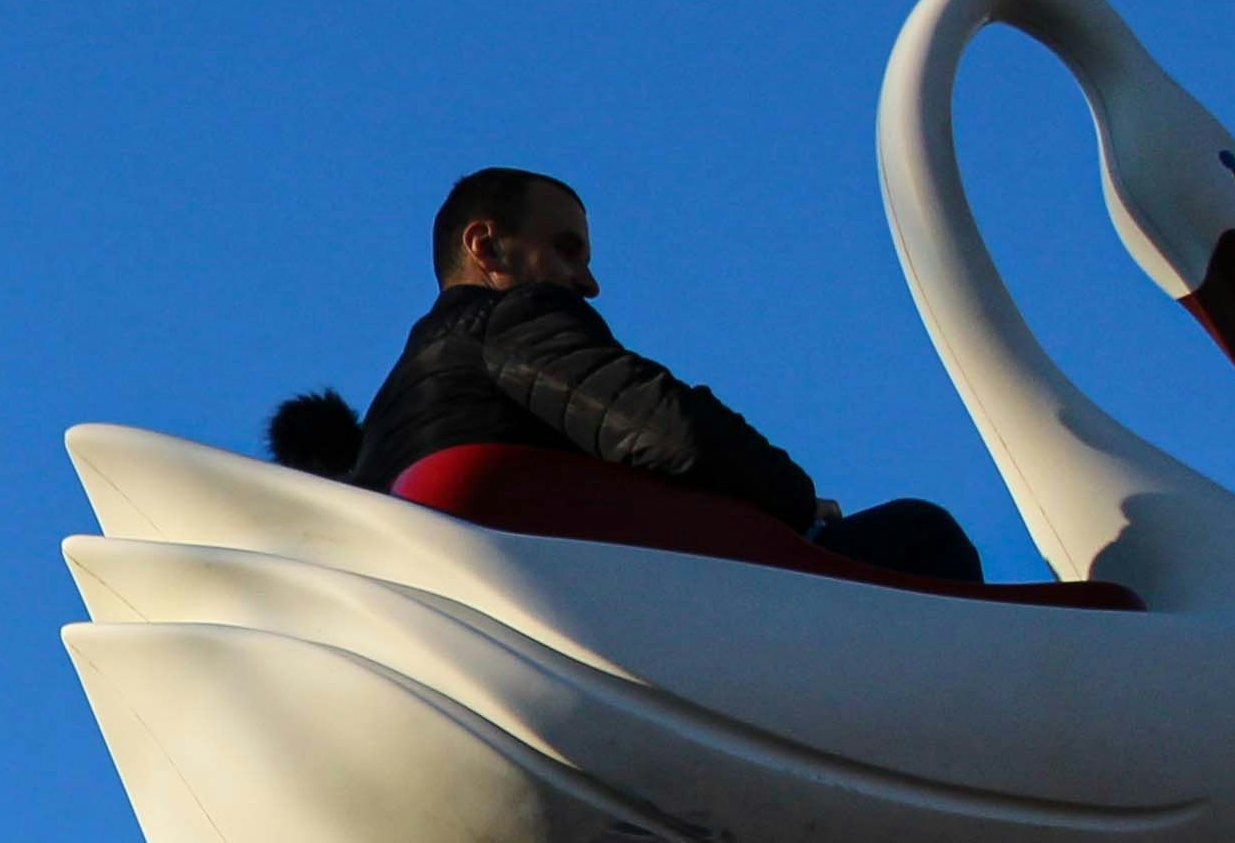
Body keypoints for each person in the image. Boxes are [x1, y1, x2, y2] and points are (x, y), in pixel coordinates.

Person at [278, 166, 983, 586]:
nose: (587, 282)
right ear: (488, 247)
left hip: (470, 616)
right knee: (924, 534)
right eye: (565, 248)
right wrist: (797, 505)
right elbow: (670, 434)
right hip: (598, 613)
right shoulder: (512, 323)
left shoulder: (385, 439)